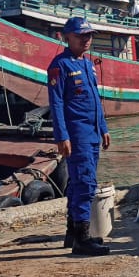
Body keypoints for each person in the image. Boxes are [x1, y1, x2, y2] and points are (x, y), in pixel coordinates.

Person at [48, 16, 111, 256]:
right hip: (77, 135)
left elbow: (94, 99)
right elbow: (56, 103)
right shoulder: (60, 66)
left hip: (93, 131)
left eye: (89, 35)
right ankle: (82, 239)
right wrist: (61, 136)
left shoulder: (87, 64)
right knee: (85, 183)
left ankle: (72, 233)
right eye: (80, 36)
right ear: (67, 38)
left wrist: (103, 127)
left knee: (77, 183)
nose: (86, 40)